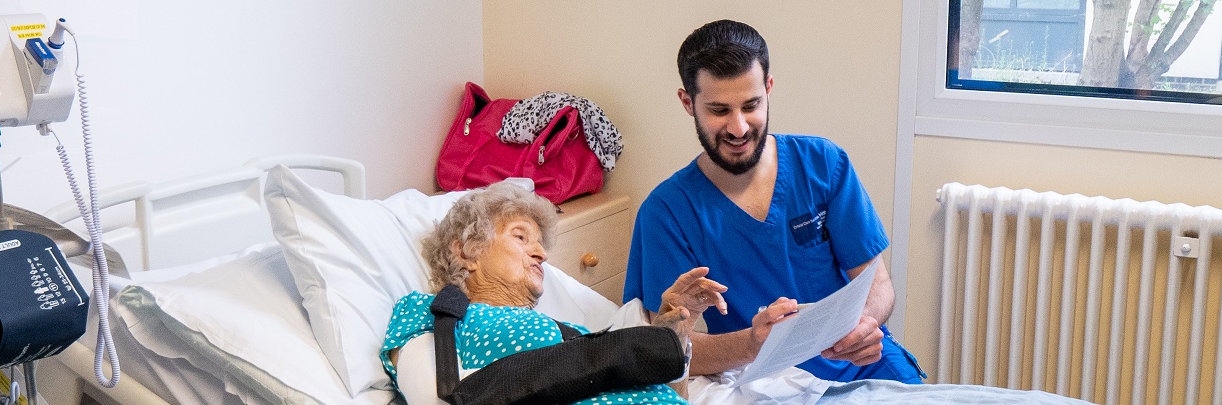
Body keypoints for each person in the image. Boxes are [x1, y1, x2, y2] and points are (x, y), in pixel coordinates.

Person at [624, 19, 926, 384]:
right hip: (762, 380)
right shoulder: (667, 213)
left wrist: (865, 324)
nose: (738, 128)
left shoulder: (824, 165)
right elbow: (668, 346)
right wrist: (752, 344)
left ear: (769, 88)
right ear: (688, 103)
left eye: (751, 105)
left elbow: (876, 281)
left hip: (860, 365)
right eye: (719, 111)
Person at [379, 182, 730, 404]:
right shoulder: (432, 312)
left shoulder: (569, 331)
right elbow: (434, 399)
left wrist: (676, 336)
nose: (541, 253)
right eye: (520, 237)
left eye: (540, 244)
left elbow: (669, 397)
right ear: (467, 250)